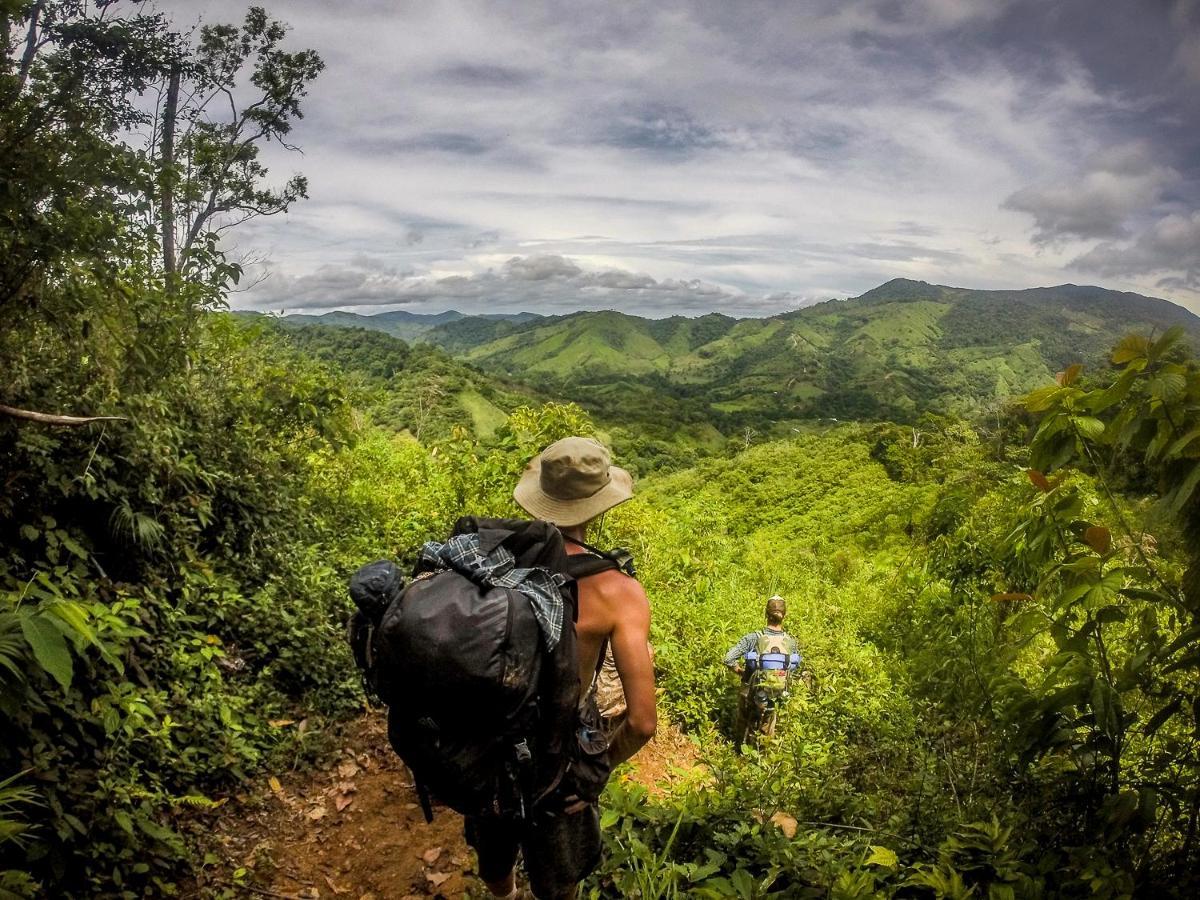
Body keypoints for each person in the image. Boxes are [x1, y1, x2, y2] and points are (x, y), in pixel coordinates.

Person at [465, 436, 657, 900]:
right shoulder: (619, 592)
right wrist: (597, 770)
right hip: (560, 750)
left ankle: (503, 894)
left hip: (489, 741)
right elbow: (642, 721)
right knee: (560, 879)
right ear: (600, 506)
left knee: (493, 850)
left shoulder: (488, 562)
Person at [724, 595, 801, 744]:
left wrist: (740, 671)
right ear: (784, 616)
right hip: (775, 693)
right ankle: (761, 760)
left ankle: (737, 757)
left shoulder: (754, 638)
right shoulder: (790, 642)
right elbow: (794, 667)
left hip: (749, 691)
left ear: (766, 614)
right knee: (766, 732)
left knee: (743, 727)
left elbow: (728, 658)